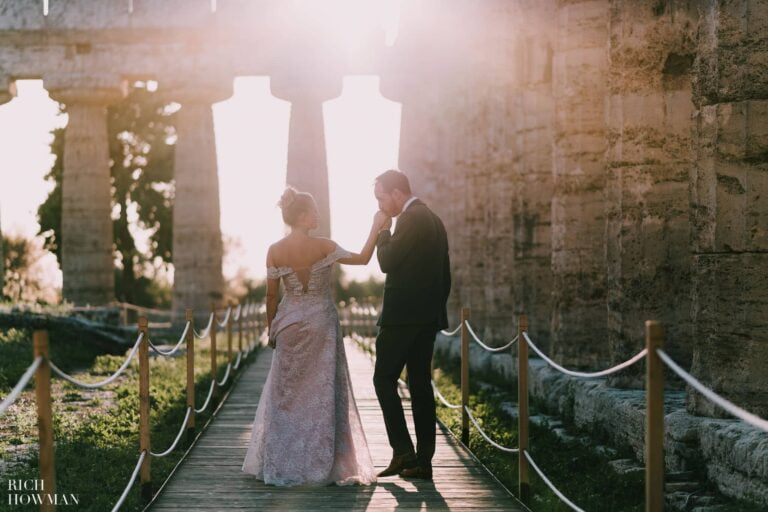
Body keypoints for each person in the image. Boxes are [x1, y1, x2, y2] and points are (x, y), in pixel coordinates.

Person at [241, 186, 388, 486]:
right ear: (303, 217)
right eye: (315, 212)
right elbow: (362, 259)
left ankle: (283, 460)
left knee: (287, 394)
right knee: (322, 394)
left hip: (290, 324)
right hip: (321, 323)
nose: (319, 215)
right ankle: (323, 461)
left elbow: (271, 296)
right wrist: (376, 226)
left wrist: (272, 328)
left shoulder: (275, 250)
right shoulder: (325, 246)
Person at [372, 169, 452, 481]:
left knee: (383, 379)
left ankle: (403, 451)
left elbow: (386, 262)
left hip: (402, 318)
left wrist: (382, 231)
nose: (381, 205)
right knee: (420, 385)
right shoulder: (434, 219)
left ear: (396, 193)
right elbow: (445, 275)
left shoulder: (409, 219)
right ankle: (423, 462)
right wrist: (435, 312)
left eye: (381, 197)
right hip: (427, 317)